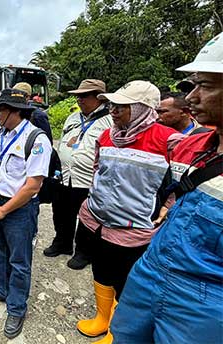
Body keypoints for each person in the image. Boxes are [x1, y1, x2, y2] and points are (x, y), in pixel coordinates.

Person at [111, 33, 223, 344]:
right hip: (151, 270)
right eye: (193, 85)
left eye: (207, 86)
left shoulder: (172, 139)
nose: (192, 98)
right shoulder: (194, 146)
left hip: (204, 300)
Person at [73, 81, 182, 344]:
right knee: (100, 269)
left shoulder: (167, 139)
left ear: (143, 108)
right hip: (97, 220)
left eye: (122, 106)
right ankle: (102, 318)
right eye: (113, 105)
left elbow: (184, 181)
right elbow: (98, 169)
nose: (114, 110)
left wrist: (169, 206)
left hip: (133, 228)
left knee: (126, 281)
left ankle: (117, 331)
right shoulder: (107, 136)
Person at [0, 89, 52, 339]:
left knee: (19, 261)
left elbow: (33, 185)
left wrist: (3, 210)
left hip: (18, 209)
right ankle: (1, 289)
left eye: (1, 109)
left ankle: (17, 307)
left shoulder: (36, 139)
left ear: (16, 111)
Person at [44, 79, 113, 270]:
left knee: (86, 218)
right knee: (61, 212)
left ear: (99, 97)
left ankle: (83, 251)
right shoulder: (73, 118)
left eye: (84, 96)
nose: (79, 99)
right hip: (65, 176)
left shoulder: (110, 120)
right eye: (78, 95)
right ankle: (62, 243)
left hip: (88, 180)